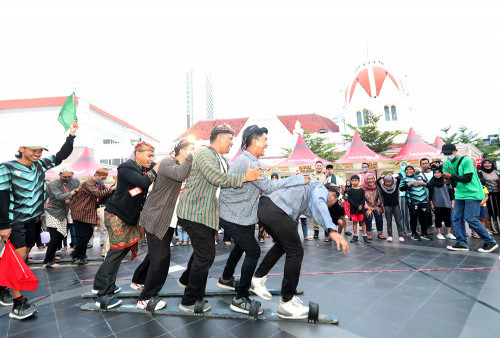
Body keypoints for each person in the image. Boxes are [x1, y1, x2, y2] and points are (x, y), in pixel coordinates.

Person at [217, 125, 308, 314]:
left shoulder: (247, 159)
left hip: (236, 214)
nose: (267, 144)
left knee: (241, 246)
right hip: (233, 215)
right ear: (255, 140)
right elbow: (268, 186)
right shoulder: (249, 162)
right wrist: (297, 179)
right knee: (253, 250)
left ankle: (226, 278)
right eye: (265, 140)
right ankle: (240, 297)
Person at [176, 124, 263, 313]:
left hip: (204, 213)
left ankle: (185, 280)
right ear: (221, 138)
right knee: (206, 255)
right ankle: (189, 301)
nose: (233, 143)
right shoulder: (205, 154)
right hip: (195, 211)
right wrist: (245, 178)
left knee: (201, 253)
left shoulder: (218, 157)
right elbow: (216, 178)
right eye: (230, 139)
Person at [0, 120, 79, 320]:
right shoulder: (6, 167)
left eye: (40, 150)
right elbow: (1, 197)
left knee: (25, 256)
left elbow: (61, 155)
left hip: (33, 220)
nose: (38, 153)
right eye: (33, 150)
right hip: (14, 221)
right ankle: (18, 305)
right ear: (21, 149)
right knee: (18, 258)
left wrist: (71, 135)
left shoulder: (41, 165)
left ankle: (3, 288)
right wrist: (4, 225)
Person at [252, 180, 349, 319]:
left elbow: (317, 212)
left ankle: (258, 277)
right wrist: (332, 230)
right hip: (276, 209)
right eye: (332, 202)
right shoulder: (320, 189)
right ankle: (287, 303)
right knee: (296, 251)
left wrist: (328, 225)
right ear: (332, 194)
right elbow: (320, 202)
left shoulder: (310, 191)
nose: (330, 205)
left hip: (265, 207)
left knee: (282, 244)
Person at [92, 141, 160, 309]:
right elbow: (143, 183)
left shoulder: (142, 169)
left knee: (118, 253)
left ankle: (99, 284)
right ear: (138, 153)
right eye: (149, 155)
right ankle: (104, 296)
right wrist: (156, 169)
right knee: (116, 253)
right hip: (117, 215)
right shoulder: (126, 167)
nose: (151, 159)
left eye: (153, 156)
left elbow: (140, 190)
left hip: (127, 216)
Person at [128, 140, 195, 310]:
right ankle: (146, 298)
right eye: (191, 149)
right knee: (161, 259)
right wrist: (191, 157)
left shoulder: (182, 165)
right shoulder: (167, 162)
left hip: (167, 219)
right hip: (156, 217)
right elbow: (180, 175)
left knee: (155, 254)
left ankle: (139, 280)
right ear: (182, 151)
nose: (194, 152)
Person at [441, 144, 498, 253]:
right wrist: (447, 180)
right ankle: (462, 243)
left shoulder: (466, 161)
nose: (448, 155)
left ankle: (490, 241)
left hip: (473, 192)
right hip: (460, 193)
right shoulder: (447, 163)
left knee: (471, 218)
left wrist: (451, 176)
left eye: (450, 153)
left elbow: (467, 178)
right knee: (457, 218)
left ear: (456, 151)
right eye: (446, 153)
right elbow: (453, 180)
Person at [70, 169, 114, 265]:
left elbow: (105, 192)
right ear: (96, 175)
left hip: (88, 213)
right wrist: (112, 189)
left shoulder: (99, 184)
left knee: (88, 234)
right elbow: (98, 194)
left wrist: (111, 189)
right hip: (80, 211)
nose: (103, 180)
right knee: (83, 235)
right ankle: (77, 256)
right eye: (102, 178)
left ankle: (77, 252)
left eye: (105, 179)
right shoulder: (88, 183)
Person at [43, 167, 81, 268]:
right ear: (59, 175)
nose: (68, 178)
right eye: (65, 177)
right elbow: (59, 197)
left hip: (64, 212)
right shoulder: (54, 184)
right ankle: (48, 260)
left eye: (70, 176)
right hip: (53, 212)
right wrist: (75, 191)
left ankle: (52, 256)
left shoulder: (75, 181)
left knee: (59, 236)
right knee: (55, 237)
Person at [399, 165, 431, 241]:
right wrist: (410, 184)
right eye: (407, 169)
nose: (409, 171)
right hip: (413, 202)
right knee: (414, 217)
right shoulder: (404, 179)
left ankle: (424, 233)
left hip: (424, 201)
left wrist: (424, 184)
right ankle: (414, 233)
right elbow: (401, 188)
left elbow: (429, 185)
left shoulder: (420, 177)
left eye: (411, 169)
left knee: (424, 217)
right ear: (405, 171)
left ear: (413, 170)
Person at [428, 170, 456, 240]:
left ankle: (449, 233)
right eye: (435, 173)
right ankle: (439, 233)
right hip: (437, 203)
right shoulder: (431, 183)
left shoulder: (446, 181)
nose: (437, 174)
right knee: (438, 218)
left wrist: (452, 203)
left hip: (447, 203)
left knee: (448, 219)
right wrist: (431, 204)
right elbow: (430, 195)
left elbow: (451, 193)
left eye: (439, 173)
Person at [376, 174, 404, 242]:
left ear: (392, 181)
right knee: (389, 221)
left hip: (396, 205)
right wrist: (381, 176)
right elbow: (377, 182)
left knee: (398, 221)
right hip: (387, 206)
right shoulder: (382, 187)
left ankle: (400, 235)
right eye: (386, 181)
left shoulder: (395, 185)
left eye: (389, 181)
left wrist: (393, 175)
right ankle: (390, 235)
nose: (388, 183)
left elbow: (400, 178)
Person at [477, 159, 500, 234]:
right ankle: (489, 228)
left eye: (489, 163)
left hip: (497, 195)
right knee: (488, 211)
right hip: (487, 195)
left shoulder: (496, 172)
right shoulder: (480, 172)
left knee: (497, 211)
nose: (487, 164)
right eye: (485, 163)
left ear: (492, 164)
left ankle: (498, 228)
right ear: (482, 164)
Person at [346, 175, 369, 243]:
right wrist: (357, 206)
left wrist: (361, 205)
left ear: (359, 181)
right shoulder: (350, 190)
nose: (354, 182)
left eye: (355, 180)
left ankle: (365, 236)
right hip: (353, 209)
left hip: (361, 209)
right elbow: (350, 200)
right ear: (351, 182)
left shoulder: (362, 190)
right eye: (352, 181)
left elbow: (363, 199)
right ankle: (355, 236)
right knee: (354, 222)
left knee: (363, 222)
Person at [362, 173, 385, 239]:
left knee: (379, 217)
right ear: (365, 179)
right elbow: (362, 199)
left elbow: (380, 197)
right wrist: (368, 208)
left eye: (372, 178)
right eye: (369, 179)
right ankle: (368, 233)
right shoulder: (363, 188)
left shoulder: (378, 186)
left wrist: (377, 206)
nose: (371, 180)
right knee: (368, 217)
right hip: (367, 206)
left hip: (376, 206)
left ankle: (380, 233)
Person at [311, 161, 327, 239]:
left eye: (320, 166)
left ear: (322, 167)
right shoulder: (312, 175)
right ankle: (316, 231)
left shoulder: (325, 176)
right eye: (318, 166)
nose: (319, 167)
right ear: (315, 167)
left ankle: (326, 230)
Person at [419, 158, 434, 234]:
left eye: (426, 163)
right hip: (425, 197)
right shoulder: (419, 175)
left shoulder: (434, 172)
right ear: (420, 165)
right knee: (426, 213)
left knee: (439, 212)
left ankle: (439, 230)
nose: (425, 165)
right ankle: (426, 229)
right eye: (423, 164)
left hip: (436, 195)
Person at [398, 161, 412, 235]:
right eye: (402, 165)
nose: (404, 166)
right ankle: (405, 230)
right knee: (404, 213)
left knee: (413, 213)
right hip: (403, 195)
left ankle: (415, 229)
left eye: (405, 165)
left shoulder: (413, 175)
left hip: (412, 195)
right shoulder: (399, 175)